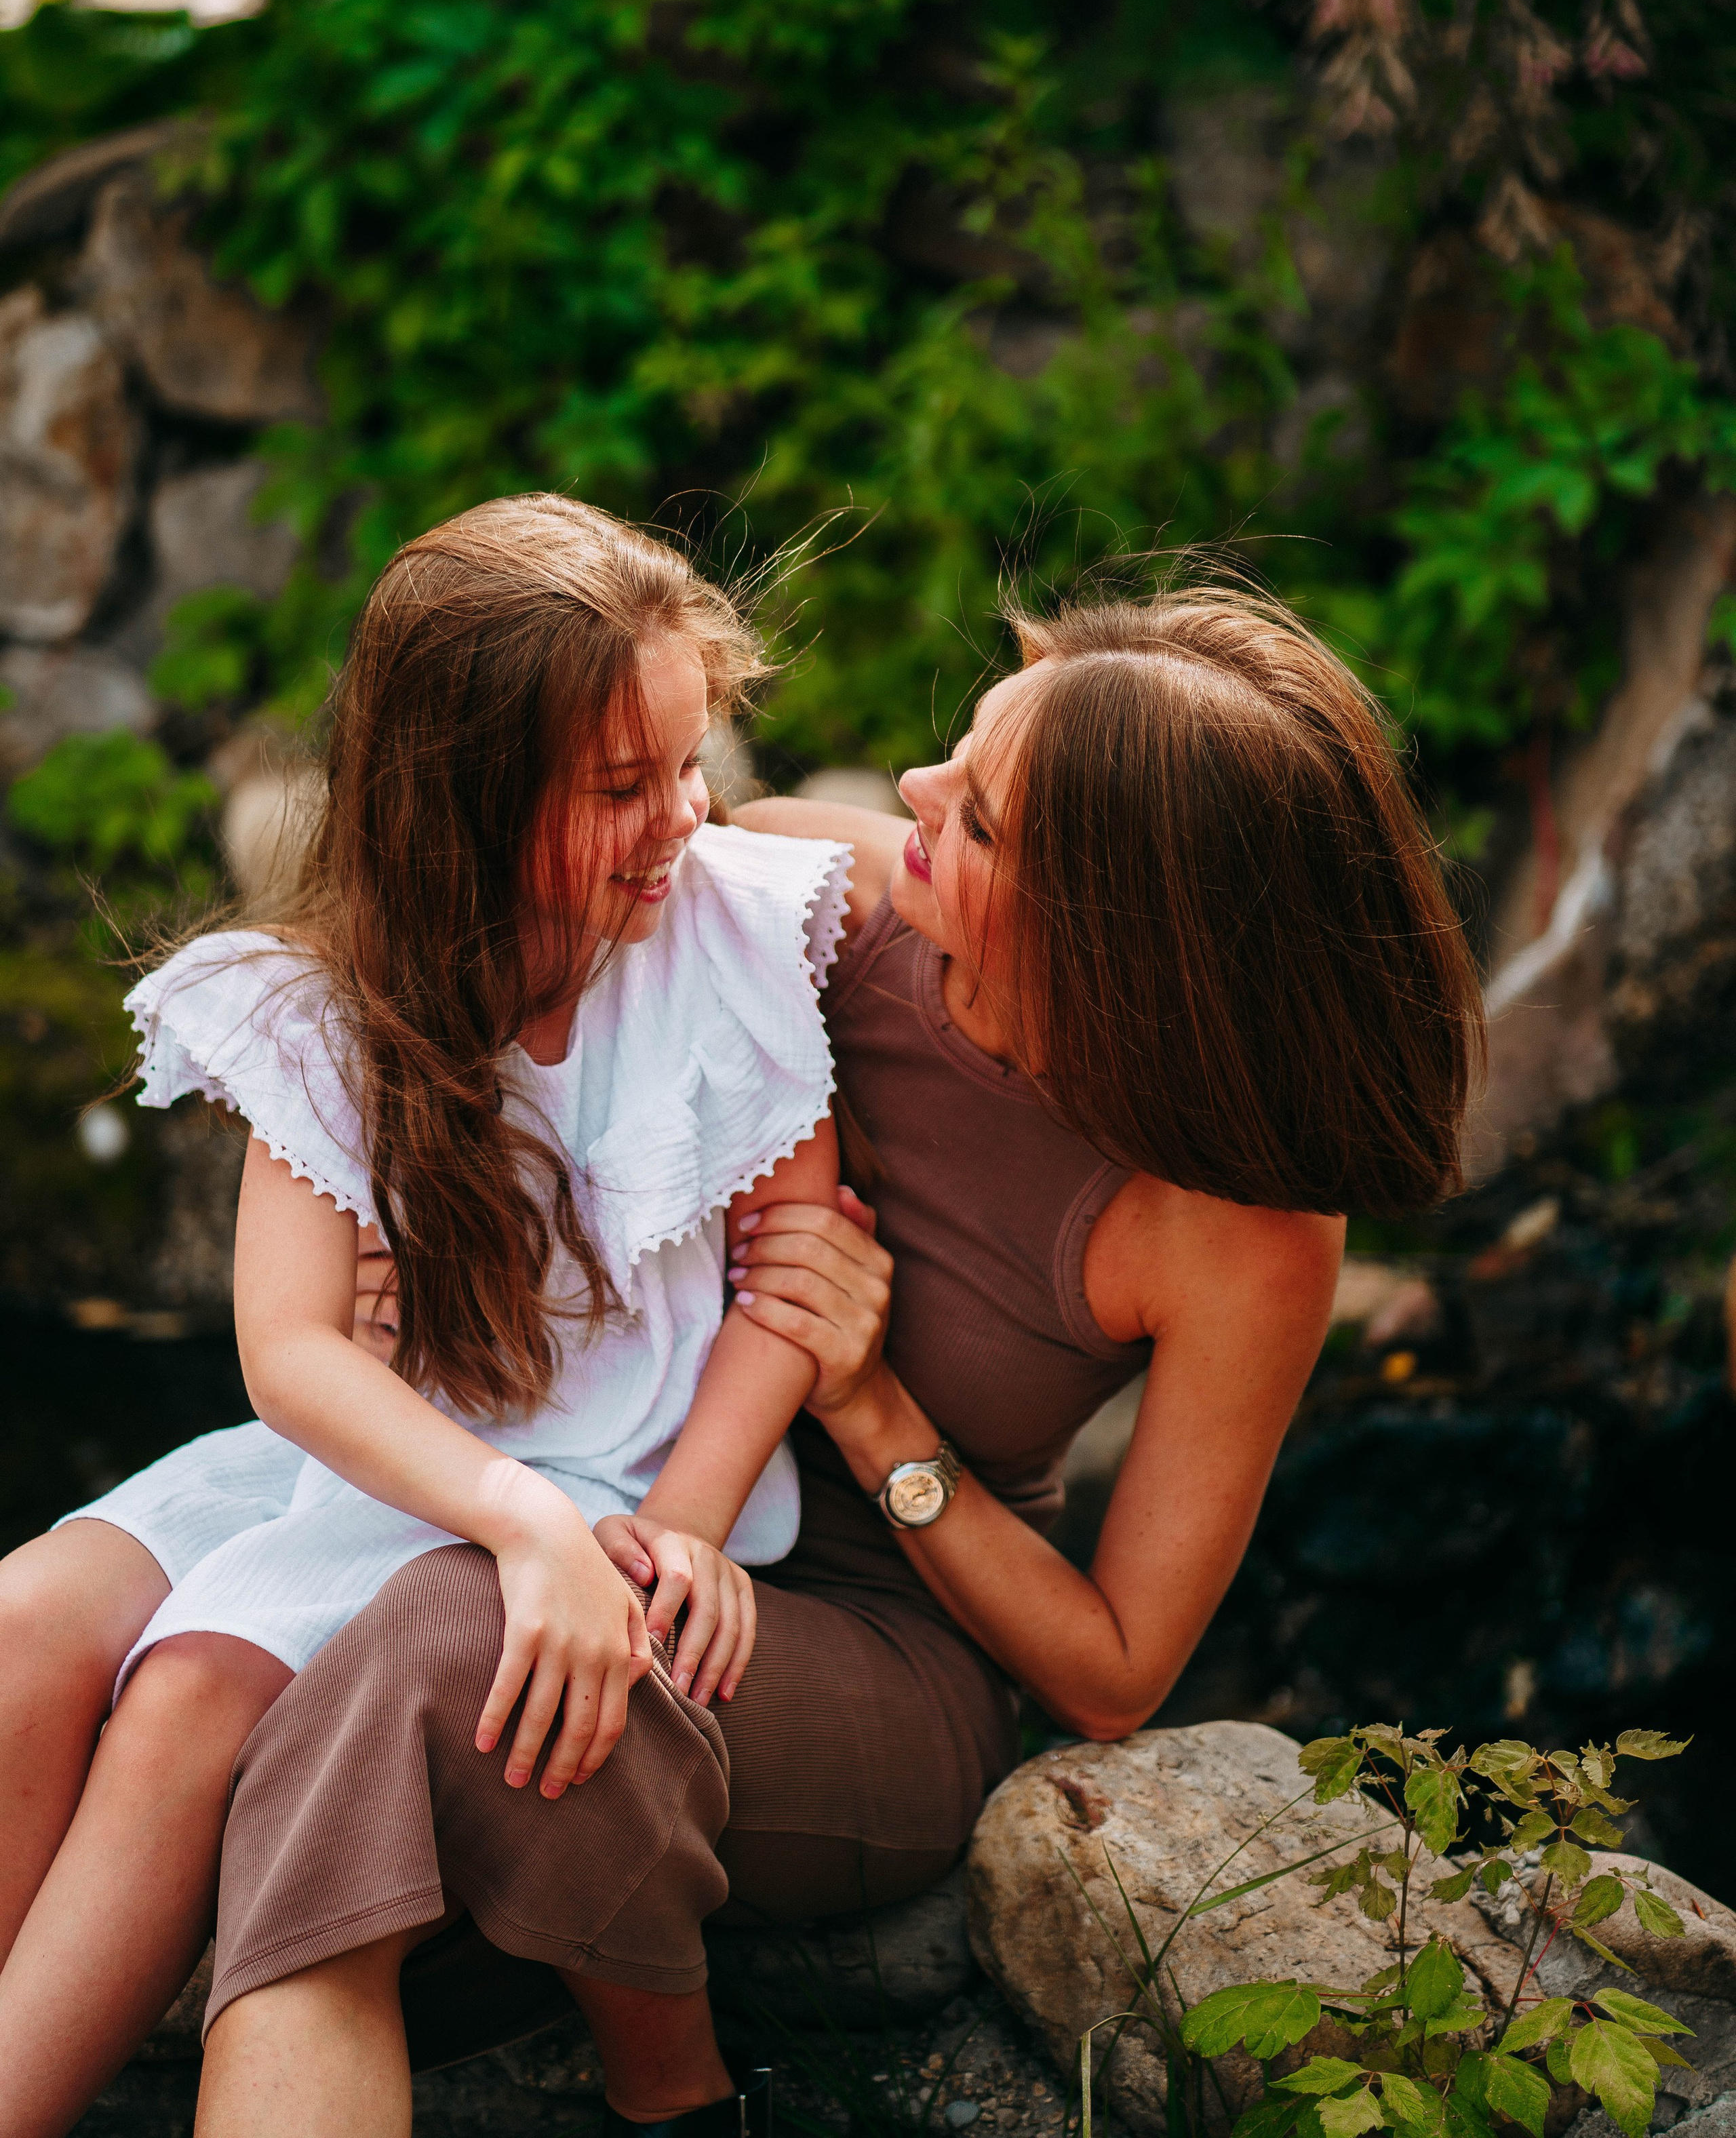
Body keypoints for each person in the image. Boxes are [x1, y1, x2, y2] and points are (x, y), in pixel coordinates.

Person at [182, 580, 1486, 2138]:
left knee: (439, 1638)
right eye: (960, 752)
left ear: (1114, 931)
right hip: (591, 1482)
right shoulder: (817, 890)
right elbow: (524, 1026)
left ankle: (676, 2096)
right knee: (117, 1639)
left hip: (867, 1648)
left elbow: (1112, 1671)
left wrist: (871, 1410)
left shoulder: (1244, 1232)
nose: (915, 794)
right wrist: (409, 1248)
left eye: (983, 819)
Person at [0, 496, 860, 2138]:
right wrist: (513, 1515)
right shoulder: (336, 1008)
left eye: (693, 765)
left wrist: (679, 1525)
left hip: (619, 1482)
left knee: (185, 1699)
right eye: (624, 787)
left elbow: (786, 1272)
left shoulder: (734, 932)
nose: (682, 816)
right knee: (32, 1636)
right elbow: (294, 1354)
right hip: (428, 1468)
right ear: (462, 801)